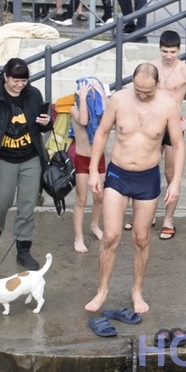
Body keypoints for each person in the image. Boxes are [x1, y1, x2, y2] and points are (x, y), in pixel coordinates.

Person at [85, 63, 184, 314]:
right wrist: (95, 170)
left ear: (157, 85)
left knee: (141, 238)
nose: (141, 95)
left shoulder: (168, 106)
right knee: (110, 235)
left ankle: (137, 290)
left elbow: (179, 145)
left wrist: (176, 180)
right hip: (118, 175)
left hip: (147, 178)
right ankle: (102, 290)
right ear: (132, 83)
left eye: (147, 92)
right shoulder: (118, 100)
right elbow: (102, 133)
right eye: (138, 89)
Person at [0, 58, 53, 270]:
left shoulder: (33, 95)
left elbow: (44, 125)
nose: (20, 85)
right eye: (16, 80)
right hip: (3, 158)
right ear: (6, 77)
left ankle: (23, 250)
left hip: (30, 158)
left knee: (27, 206)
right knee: (1, 202)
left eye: (24, 80)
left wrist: (47, 123)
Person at [146, 30, 186, 241]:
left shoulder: (185, 71)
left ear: (179, 50)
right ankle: (148, 216)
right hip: (152, 125)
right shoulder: (151, 67)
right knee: (147, 169)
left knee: (171, 174)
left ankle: (168, 219)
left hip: (174, 126)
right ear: (160, 49)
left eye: (172, 51)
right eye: (165, 51)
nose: (168, 55)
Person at [70, 77, 109, 253]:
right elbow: (84, 120)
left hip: (98, 159)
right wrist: (83, 98)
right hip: (82, 159)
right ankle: (78, 237)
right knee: (82, 199)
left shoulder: (100, 114)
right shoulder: (74, 109)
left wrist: (102, 93)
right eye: (88, 93)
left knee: (99, 197)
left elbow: (110, 115)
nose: (92, 96)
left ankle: (94, 225)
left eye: (93, 94)